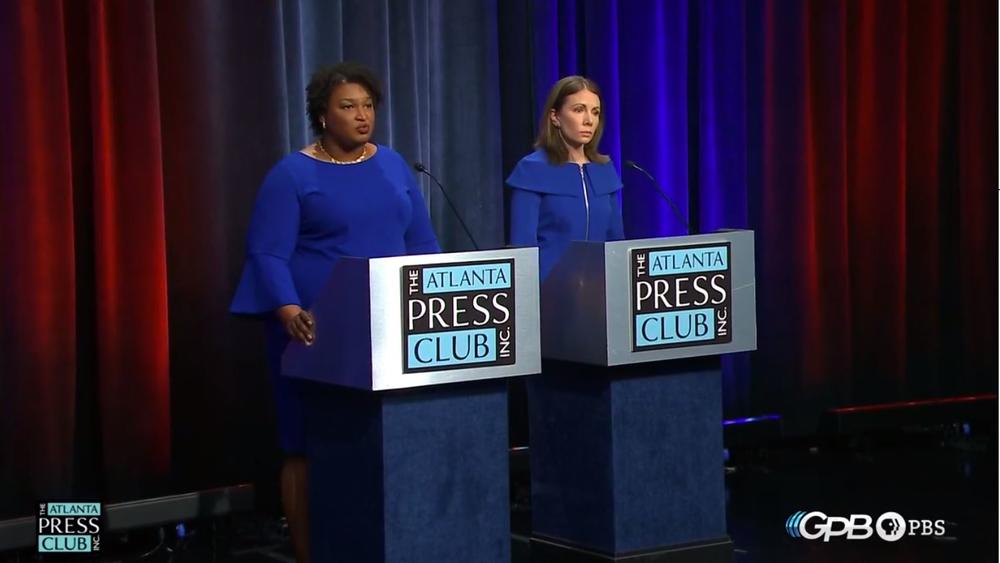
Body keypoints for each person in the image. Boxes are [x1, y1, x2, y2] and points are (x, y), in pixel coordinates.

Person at [230, 62, 440, 562]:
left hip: (391, 328)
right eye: (349, 106)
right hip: (312, 332)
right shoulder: (293, 174)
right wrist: (287, 311)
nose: (362, 115)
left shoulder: (391, 164)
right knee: (304, 445)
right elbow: (267, 253)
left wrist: (435, 295)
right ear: (323, 115)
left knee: (380, 439)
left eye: (368, 106)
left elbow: (422, 240)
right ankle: (309, 553)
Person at [506, 75, 625, 279]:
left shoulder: (604, 169)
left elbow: (616, 242)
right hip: (548, 292)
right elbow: (522, 247)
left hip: (600, 293)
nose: (589, 120)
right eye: (579, 110)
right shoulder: (532, 170)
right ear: (555, 117)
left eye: (595, 112)